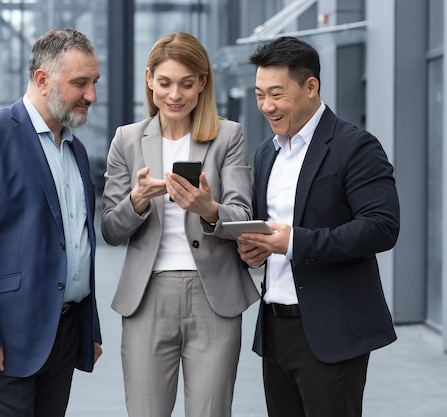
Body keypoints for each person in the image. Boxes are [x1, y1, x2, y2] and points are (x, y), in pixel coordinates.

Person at [0, 28, 102, 417]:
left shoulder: (76, 150)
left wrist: (88, 327)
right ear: (42, 80)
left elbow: (78, 242)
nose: (92, 96)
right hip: (1, 338)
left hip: (61, 334)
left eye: (94, 83)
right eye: (80, 83)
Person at [236, 36, 400, 417]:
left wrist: (294, 242)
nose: (266, 106)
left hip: (331, 330)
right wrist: (255, 249)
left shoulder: (355, 147)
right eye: (260, 94)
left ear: (311, 87)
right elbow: (270, 231)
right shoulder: (266, 152)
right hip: (275, 329)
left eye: (276, 94)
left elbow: (381, 227)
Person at [101, 32, 260, 417]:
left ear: (203, 82)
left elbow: (242, 215)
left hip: (214, 299)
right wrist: (136, 201)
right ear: (150, 79)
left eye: (187, 84)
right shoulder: (127, 139)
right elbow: (109, 228)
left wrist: (209, 209)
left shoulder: (228, 136)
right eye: (166, 83)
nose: (175, 95)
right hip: (147, 297)